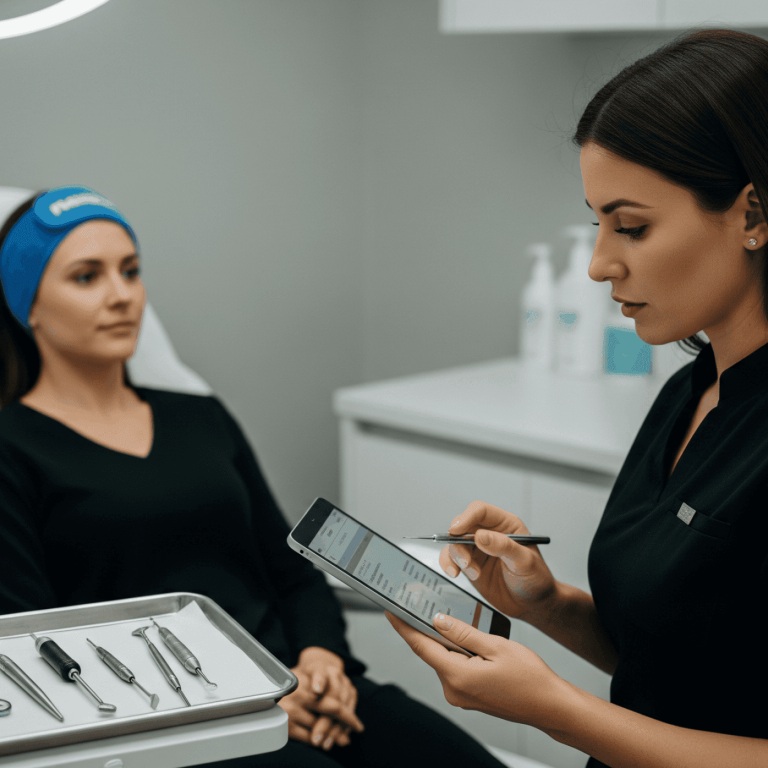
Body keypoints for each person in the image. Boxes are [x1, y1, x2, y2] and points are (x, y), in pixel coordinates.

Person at [0, 186, 509, 768]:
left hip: (304, 683)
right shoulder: (12, 449)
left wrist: (324, 660)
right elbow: (36, 644)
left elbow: (289, 570)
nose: (122, 296)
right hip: (176, 721)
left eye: (131, 271)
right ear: (27, 303)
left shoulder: (199, 417)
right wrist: (242, 705)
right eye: (86, 277)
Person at [387, 28, 768, 768]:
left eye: (631, 227)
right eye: (597, 224)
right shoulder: (691, 389)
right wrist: (546, 605)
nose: (598, 264)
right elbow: (682, 657)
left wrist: (561, 713)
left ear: (752, 214)